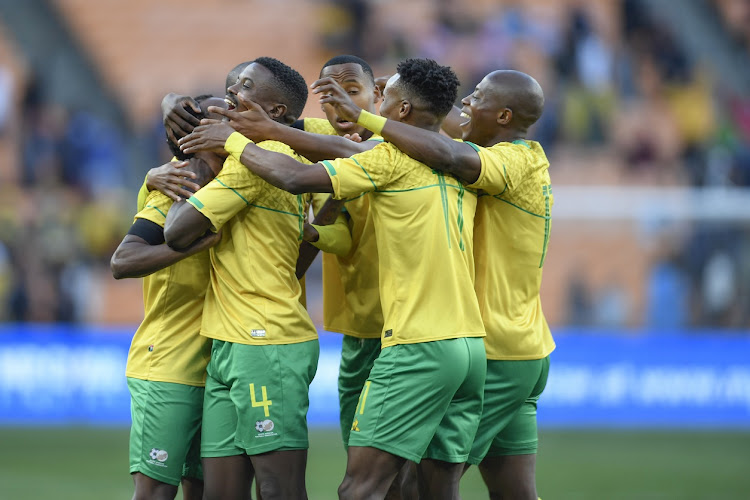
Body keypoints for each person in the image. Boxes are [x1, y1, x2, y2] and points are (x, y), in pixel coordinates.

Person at [180, 58, 486, 500]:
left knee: (359, 489)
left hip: (419, 342)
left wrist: (232, 143)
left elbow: (293, 175)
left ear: (398, 112)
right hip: (469, 345)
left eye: (387, 95)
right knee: (434, 489)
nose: (378, 98)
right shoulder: (465, 161)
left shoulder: (389, 158)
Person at [312, 68, 555, 500]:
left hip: (492, 347)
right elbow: (421, 145)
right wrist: (402, 104)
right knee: (514, 491)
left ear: (502, 116)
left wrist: (371, 116)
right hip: (519, 347)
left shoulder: (514, 159)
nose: (465, 102)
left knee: (414, 484)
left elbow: (444, 155)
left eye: (476, 97)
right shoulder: (480, 152)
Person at [162, 57, 318, 500]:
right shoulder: (248, 157)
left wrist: (187, 162)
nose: (232, 92)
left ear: (279, 112)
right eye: (232, 83)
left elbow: (175, 233)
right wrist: (171, 104)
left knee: (279, 489)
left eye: (246, 86)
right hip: (228, 341)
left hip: (267, 342)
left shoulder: (263, 161)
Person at [110, 96, 228, 500]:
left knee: (202, 488)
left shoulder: (228, 193)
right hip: (169, 365)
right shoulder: (174, 191)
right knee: (156, 491)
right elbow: (123, 260)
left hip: (216, 367)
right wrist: (191, 247)